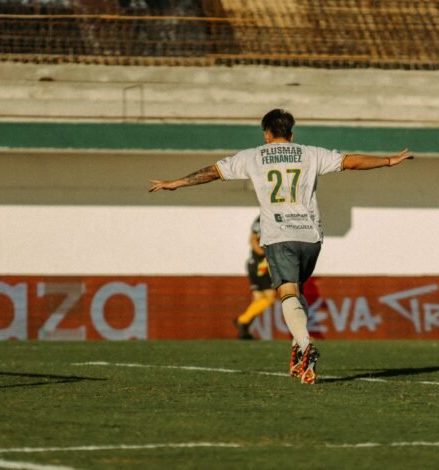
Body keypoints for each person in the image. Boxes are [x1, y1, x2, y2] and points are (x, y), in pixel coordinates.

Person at [149, 109, 414, 384]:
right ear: (292, 134)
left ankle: (305, 344)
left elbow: (212, 172)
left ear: (266, 134)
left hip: (279, 235)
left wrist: (176, 183)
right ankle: (298, 350)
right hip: (311, 238)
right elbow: (351, 162)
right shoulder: (311, 153)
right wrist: (388, 160)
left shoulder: (252, 157)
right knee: (297, 293)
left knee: (288, 291)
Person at [235, 216, 276, 340]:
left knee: (258, 300)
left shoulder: (266, 218)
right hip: (260, 265)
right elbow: (253, 240)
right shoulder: (263, 219)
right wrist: (264, 253)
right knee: (269, 299)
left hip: (255, 264)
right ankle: (242, 320)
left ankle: (244, 330)